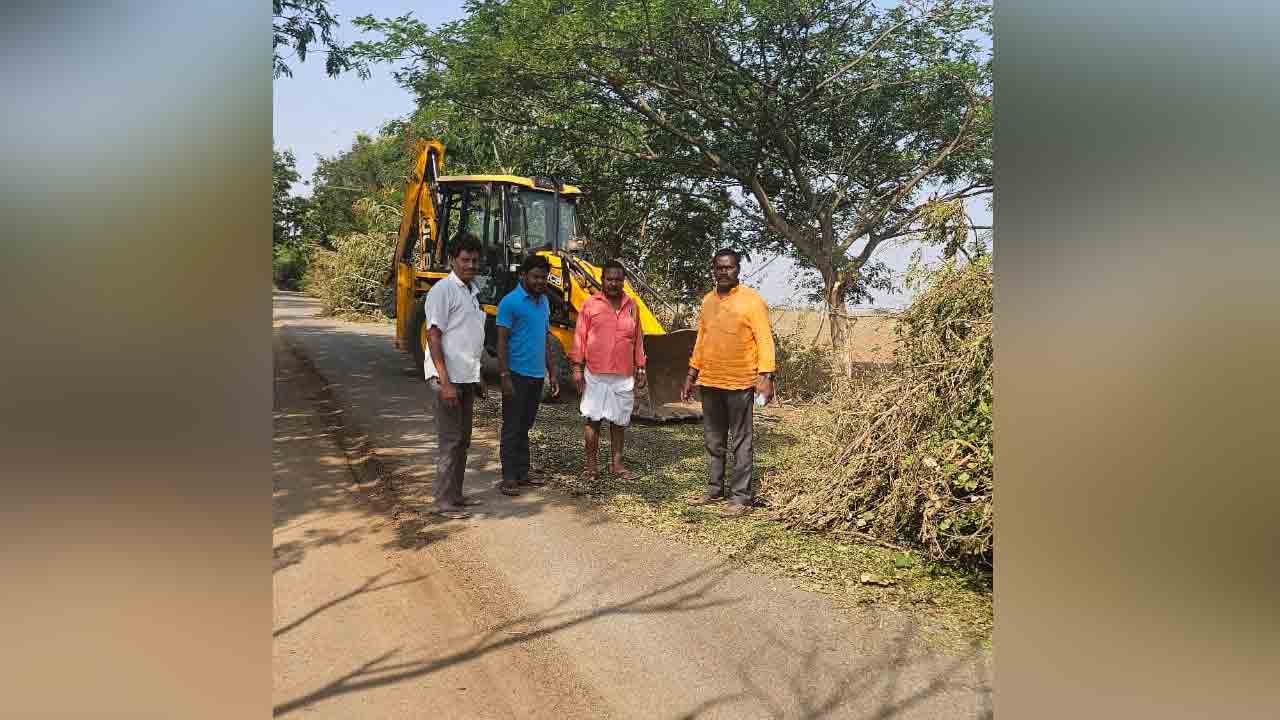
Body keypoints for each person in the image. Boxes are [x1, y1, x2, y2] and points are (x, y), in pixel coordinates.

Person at [680, 248, 777, 517]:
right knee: (713, 439)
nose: (724, 272)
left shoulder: (752, 301)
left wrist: (765, 376)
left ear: (737, 270)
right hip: (710, 380)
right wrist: (691, 375)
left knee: (741, 441)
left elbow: (765, 340)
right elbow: (701, 340)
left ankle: (741, 497)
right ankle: (714, 490)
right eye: (719, 267)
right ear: (713, 269)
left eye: (729, 267)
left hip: (740, 381)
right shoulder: (708, 301)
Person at [423, 234, 487, 520]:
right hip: (447, 379)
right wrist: (444, 380)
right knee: (450, 441)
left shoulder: (472, 293)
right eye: (465, 260)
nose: (470, 265)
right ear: (452, 260)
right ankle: (443, 500)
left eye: (474, 260)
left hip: (466, 378)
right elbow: (434, 336)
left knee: (463, 439)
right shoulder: (443, 291)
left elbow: (468, 338)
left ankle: (456, 494)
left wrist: (477, 375)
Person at [570, 259, 647, 481]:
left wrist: (640, 367)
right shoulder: (590, 304)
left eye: (618, 280)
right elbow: (579, 337)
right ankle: (591, 467)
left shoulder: (632, 306)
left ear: (623, 282)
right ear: (602, 280)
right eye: (610, 279)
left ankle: (617, 465)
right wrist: (577, 367)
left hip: (623, 374)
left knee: (619, 421)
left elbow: (638, 339)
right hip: (595, 372)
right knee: (593, 419)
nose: (614, 283)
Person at [495, 254, 560, 495]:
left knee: (525, 425)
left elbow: (544, 340)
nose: (540, 281)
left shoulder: (544, 302)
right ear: (523, 275)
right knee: (512, 426)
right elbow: (501, 341)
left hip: (535, 376)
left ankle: (522, 471)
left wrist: (552, 373)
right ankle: (509, 476)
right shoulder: (510, 303)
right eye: (535, 276)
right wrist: (504, 376)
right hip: (515, 374)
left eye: (544, 277)